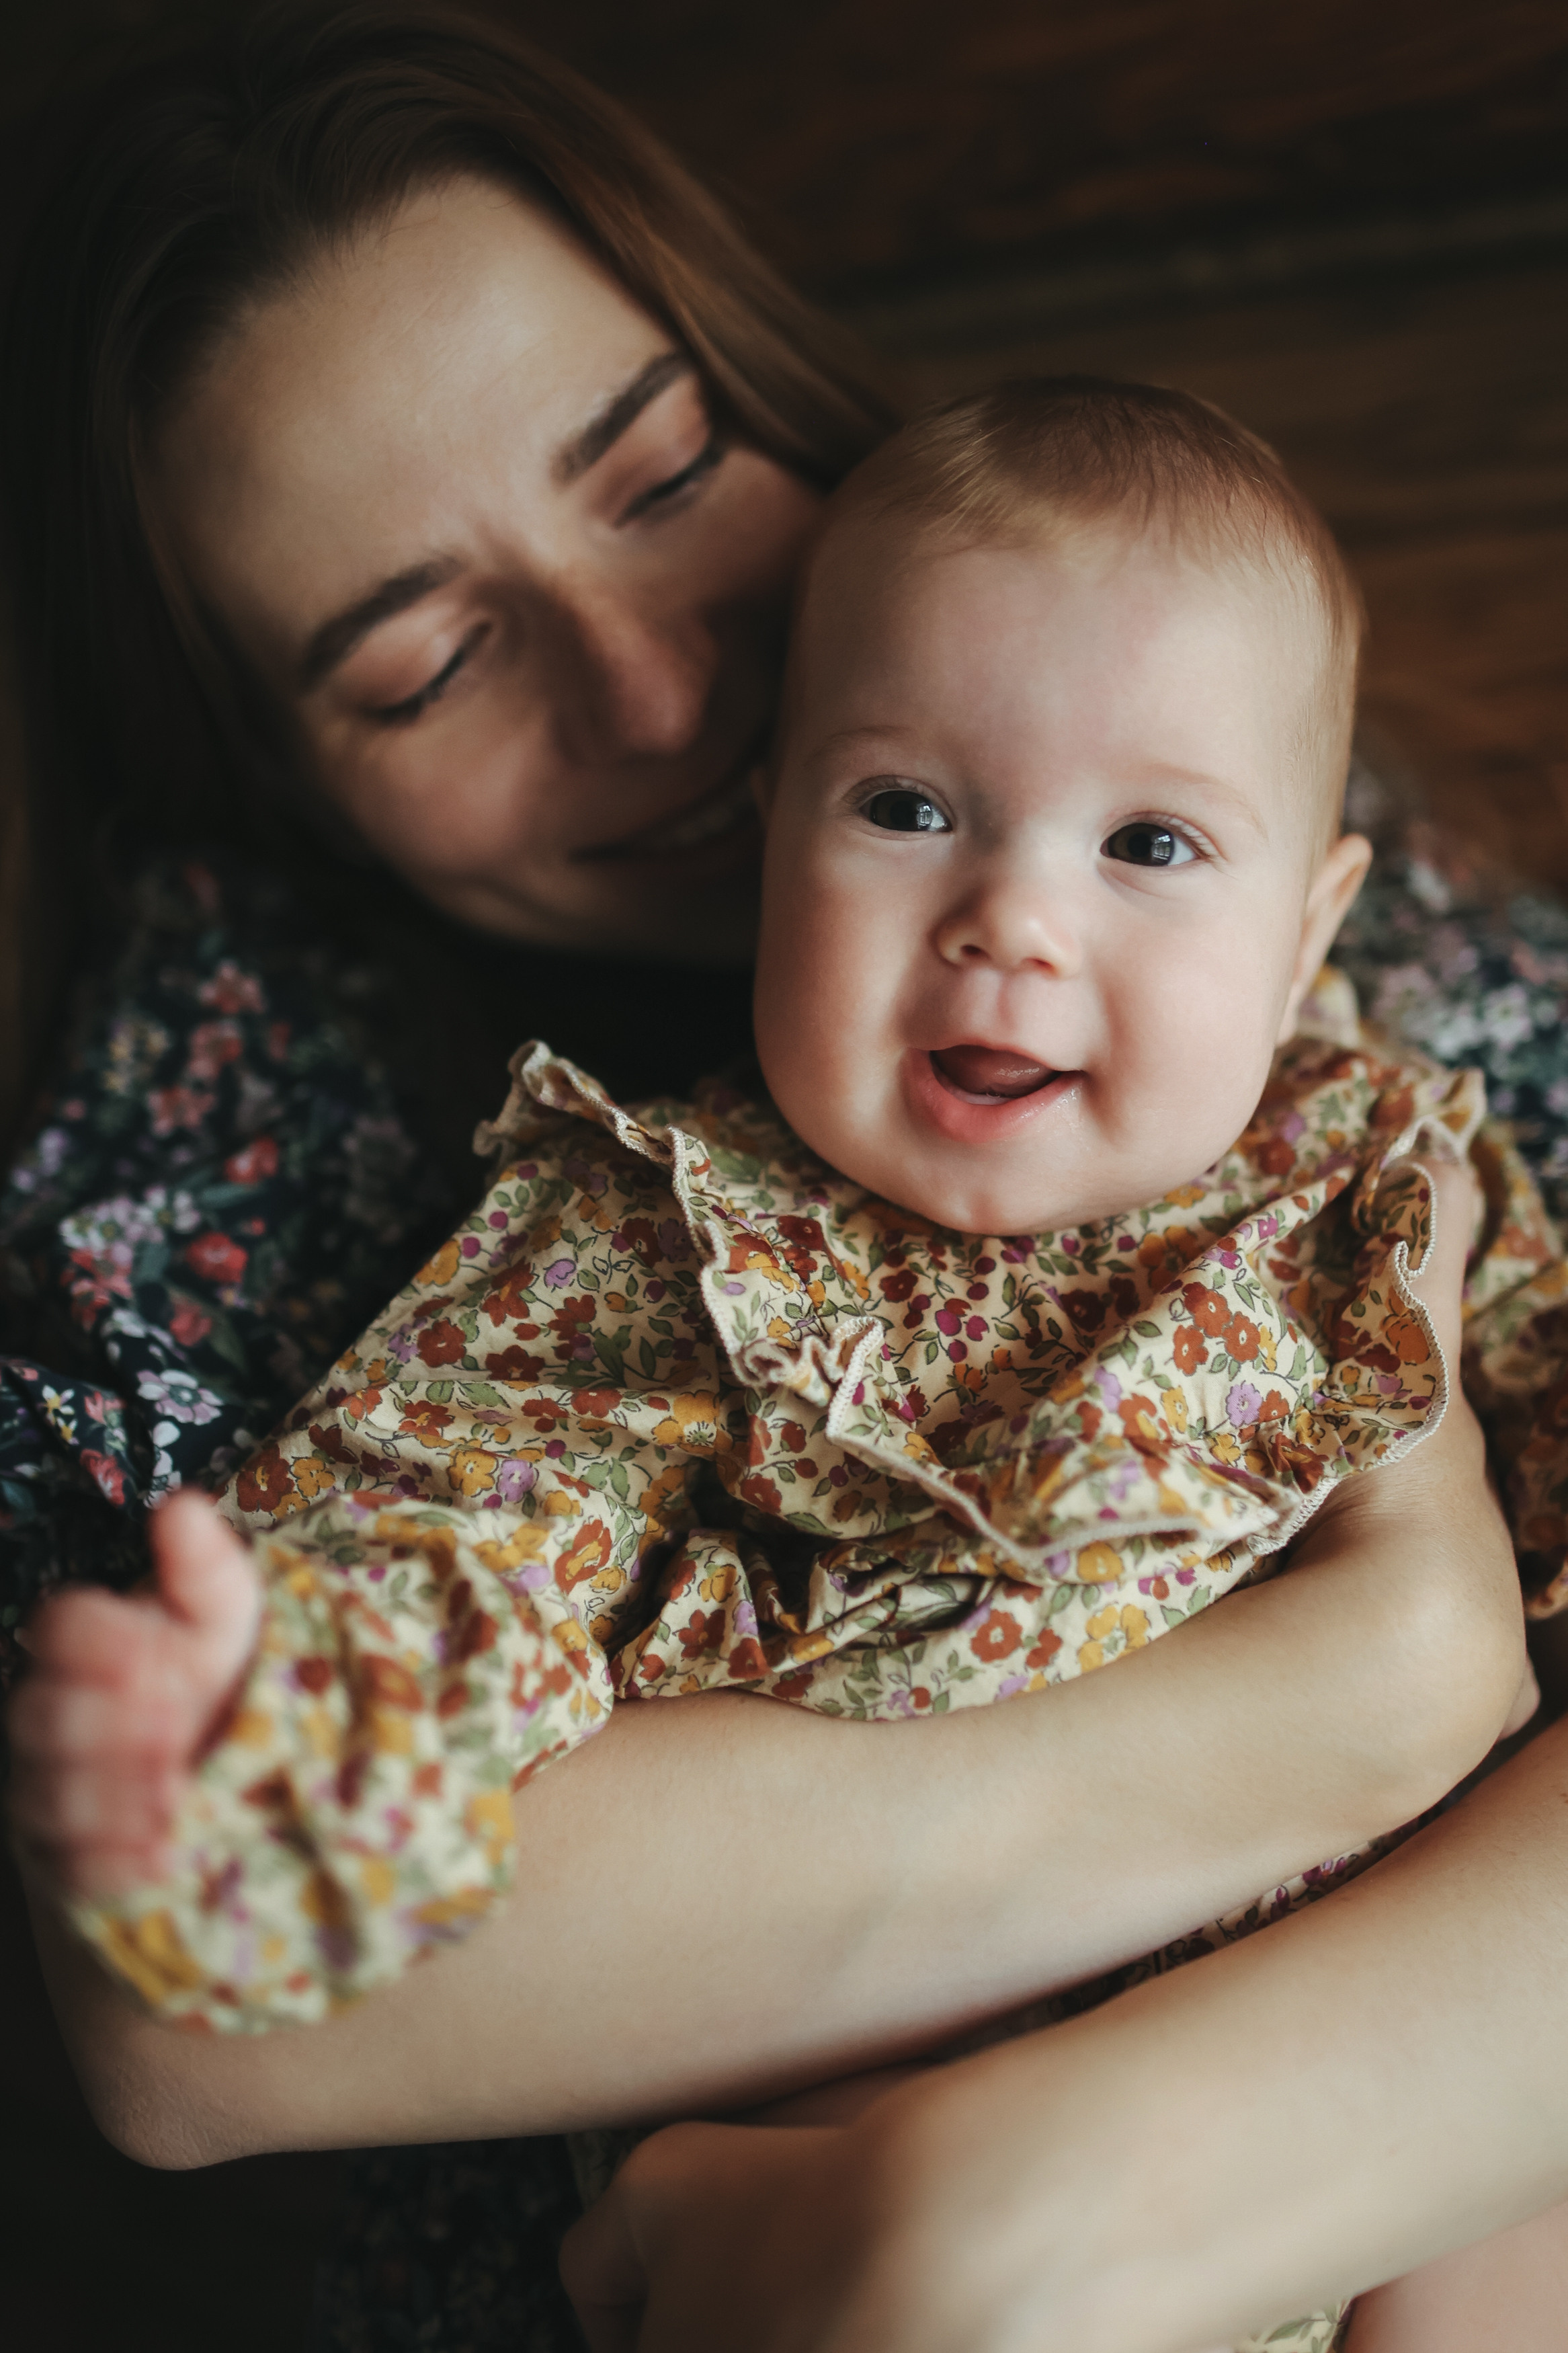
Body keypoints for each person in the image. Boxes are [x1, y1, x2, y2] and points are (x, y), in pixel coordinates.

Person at [5, 8, 1568, 2350]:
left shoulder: (1348, 1080)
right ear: (281, 794)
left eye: (658, 478)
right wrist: (267, 1728)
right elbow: (427, 1605)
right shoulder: (622, 1234)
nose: (657, 697)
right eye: (430, 665)